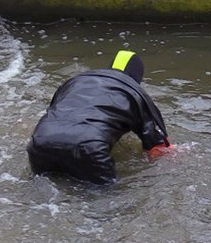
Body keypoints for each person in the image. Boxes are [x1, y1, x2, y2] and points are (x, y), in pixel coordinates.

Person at [27, 50, 174, 185]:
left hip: (40, 141)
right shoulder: (136, 94)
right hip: (89, 147)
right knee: (104, 202)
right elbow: (157, 148)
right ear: (136, 77)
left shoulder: (74, 82)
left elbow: (55, 113)